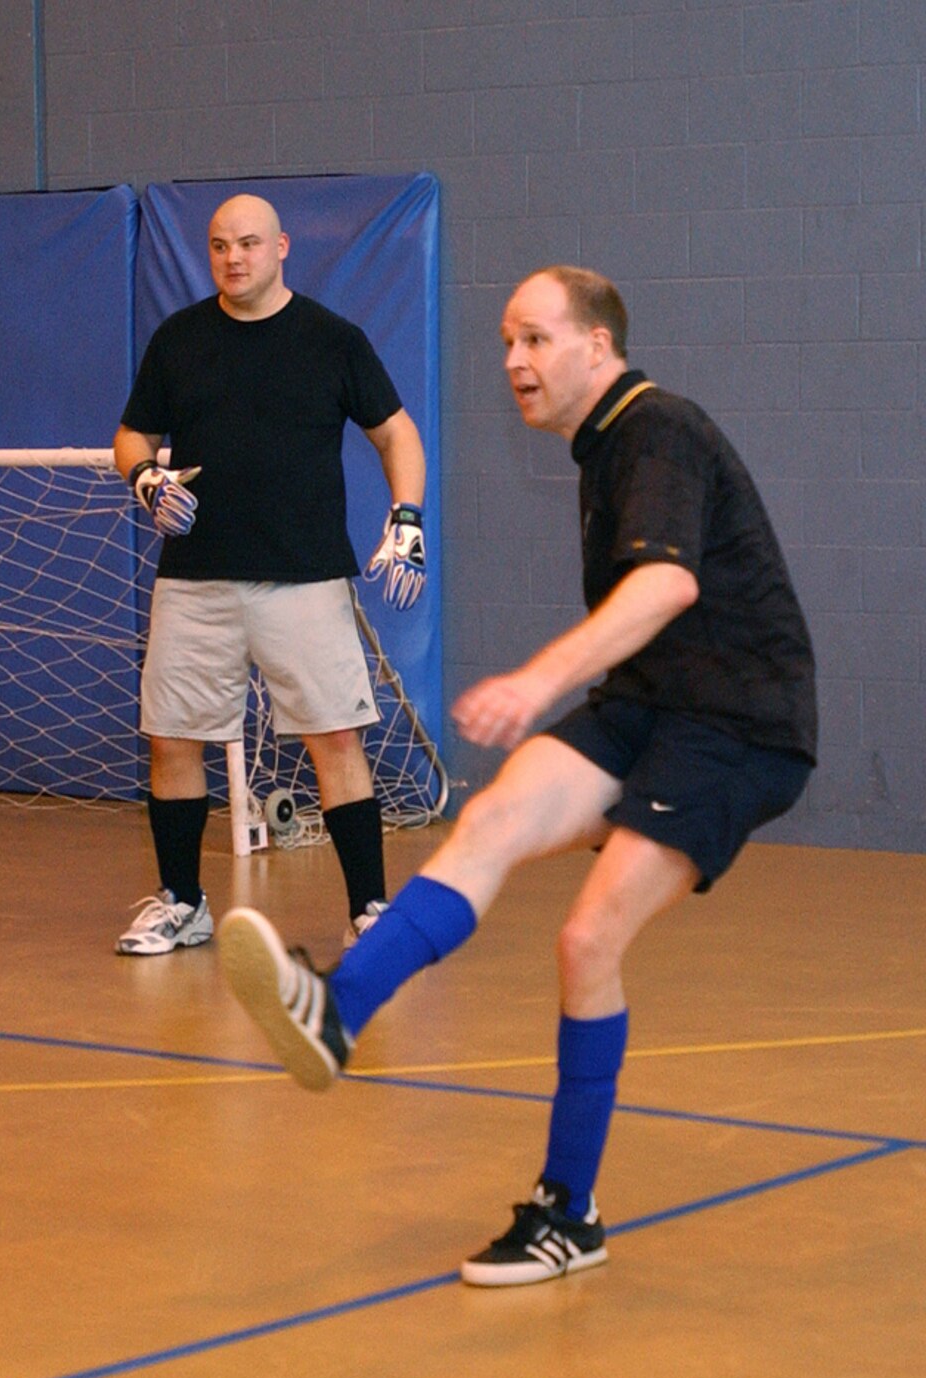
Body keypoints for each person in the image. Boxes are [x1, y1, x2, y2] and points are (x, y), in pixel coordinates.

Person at [218, 266, 817, 1285]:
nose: (511, 362)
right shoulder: (604, 447)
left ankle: (565, 1213)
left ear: (597, 345)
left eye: (534, 340)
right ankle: (338, 1010)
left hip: (734, 726)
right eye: (504, 341)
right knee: (490, 820)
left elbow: (665, 582)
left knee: (586, 938)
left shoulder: (653, 426)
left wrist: (535, 682)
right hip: (647, 708)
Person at [113, 192, 428, 956]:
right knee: (174, 741)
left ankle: (370, 913)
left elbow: (397, 433)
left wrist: (408, 516)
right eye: (221, 245)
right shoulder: (178, 340)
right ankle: (184, 904)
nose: (234, 258)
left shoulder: (332, 340)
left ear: (282, 246)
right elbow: (131, 436)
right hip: (196, 581)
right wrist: (145, 481)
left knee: (335, 741)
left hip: (304, 578)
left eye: (250, 243)